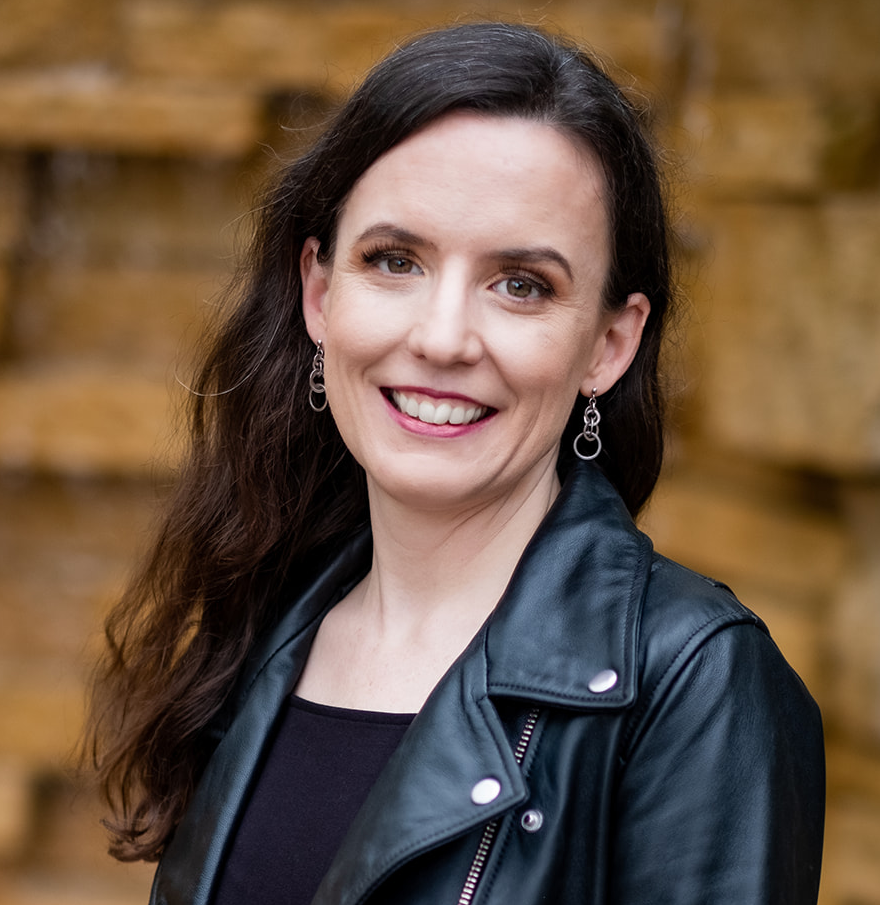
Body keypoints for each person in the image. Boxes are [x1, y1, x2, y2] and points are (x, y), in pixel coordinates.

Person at [86, 21, 825, 905]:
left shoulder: (695, 679)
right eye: (394, 260)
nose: (441, 339)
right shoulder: (261, 625)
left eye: (522, 284)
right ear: (320, 293)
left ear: (610, 344)